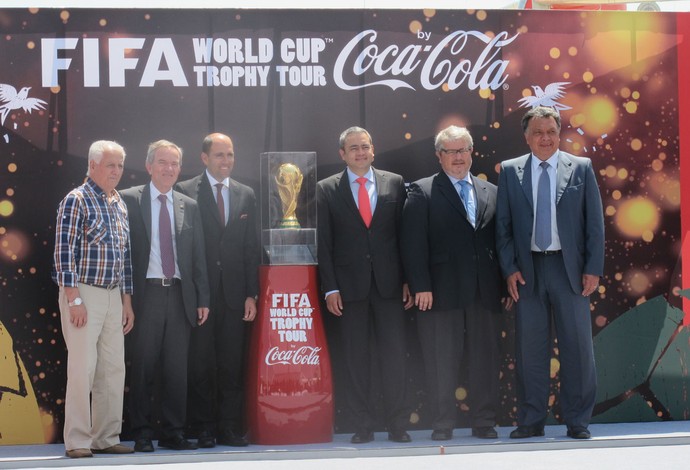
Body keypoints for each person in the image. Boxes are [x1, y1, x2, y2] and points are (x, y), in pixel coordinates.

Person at [495, 106, 604, 440]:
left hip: (569, 271)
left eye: (551, 132)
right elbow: (503, 227)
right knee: (530, 351)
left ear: (560, 134)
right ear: (527, 137)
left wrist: (592, 269)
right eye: (538, 132)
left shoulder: (581, 168)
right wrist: (509, 268)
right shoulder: (511, 171)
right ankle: (531, 419)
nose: (546, 138)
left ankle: (577, 420)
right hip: (528, 271)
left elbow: (594, 225)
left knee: (577, 349)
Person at [401, 126, 509, 441]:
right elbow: (412, 244)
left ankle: (484, 421)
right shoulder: (422, 190)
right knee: (440, 360)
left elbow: (501, 242)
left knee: (485, 359)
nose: (458, 157)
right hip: (439, 292)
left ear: (471, 153)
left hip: (484, 291)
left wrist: (504, 285)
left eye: (463, 150)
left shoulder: (492, 191)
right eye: (451, 151)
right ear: (439, 156)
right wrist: (420, 284)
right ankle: (442, 423)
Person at [317, 126, 413, 444]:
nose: (360, 152)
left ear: (373, 149)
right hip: (348, 290)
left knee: (394, 357)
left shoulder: (395, 183)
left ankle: (397, 423)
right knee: (356, 359)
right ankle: (362, 425)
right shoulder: (326, 189)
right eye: (353, 148)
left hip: (389, 287)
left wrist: (408, 281)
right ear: (342, 154)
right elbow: (324, 244)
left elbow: (405, 238)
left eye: (365, 146)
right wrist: (330, 288)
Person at [121, 140, 210, 452]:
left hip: (180, 296)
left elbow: (198, 255)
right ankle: (142, 433)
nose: (169, 168)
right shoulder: (129, 200)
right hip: (146, 296)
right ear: (148, 166)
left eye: (174, 163)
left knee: (176, 371)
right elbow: (123, 254)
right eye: (162, 162)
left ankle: (174, 433)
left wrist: (203, 298)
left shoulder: (189, 205)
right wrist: (125, 298)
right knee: (143, 367)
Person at [52, 140, 135, 458]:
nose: (116, 171)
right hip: (84, 292)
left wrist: (127, 301)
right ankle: (77, 440)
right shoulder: (76, 200)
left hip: (114, 295)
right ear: (92, 166)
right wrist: (73, 298)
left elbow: (125, 257)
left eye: (120, 166)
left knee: (113, 370)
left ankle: (106, 436)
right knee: (83, 369)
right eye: (110, 165)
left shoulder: (119, 203)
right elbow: (63, 253)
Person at [176, 133, 260, 448]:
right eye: (220, 155)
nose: (226, 161)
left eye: (230, 155)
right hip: (201, 296)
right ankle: (203, 428)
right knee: (199, 365)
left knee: (231, 364)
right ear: (204, 158)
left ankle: (228, 428)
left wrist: (252, 292)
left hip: (236, 296)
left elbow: (251, 247)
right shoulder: (186, 191)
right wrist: (196, 294)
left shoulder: (246, 194)